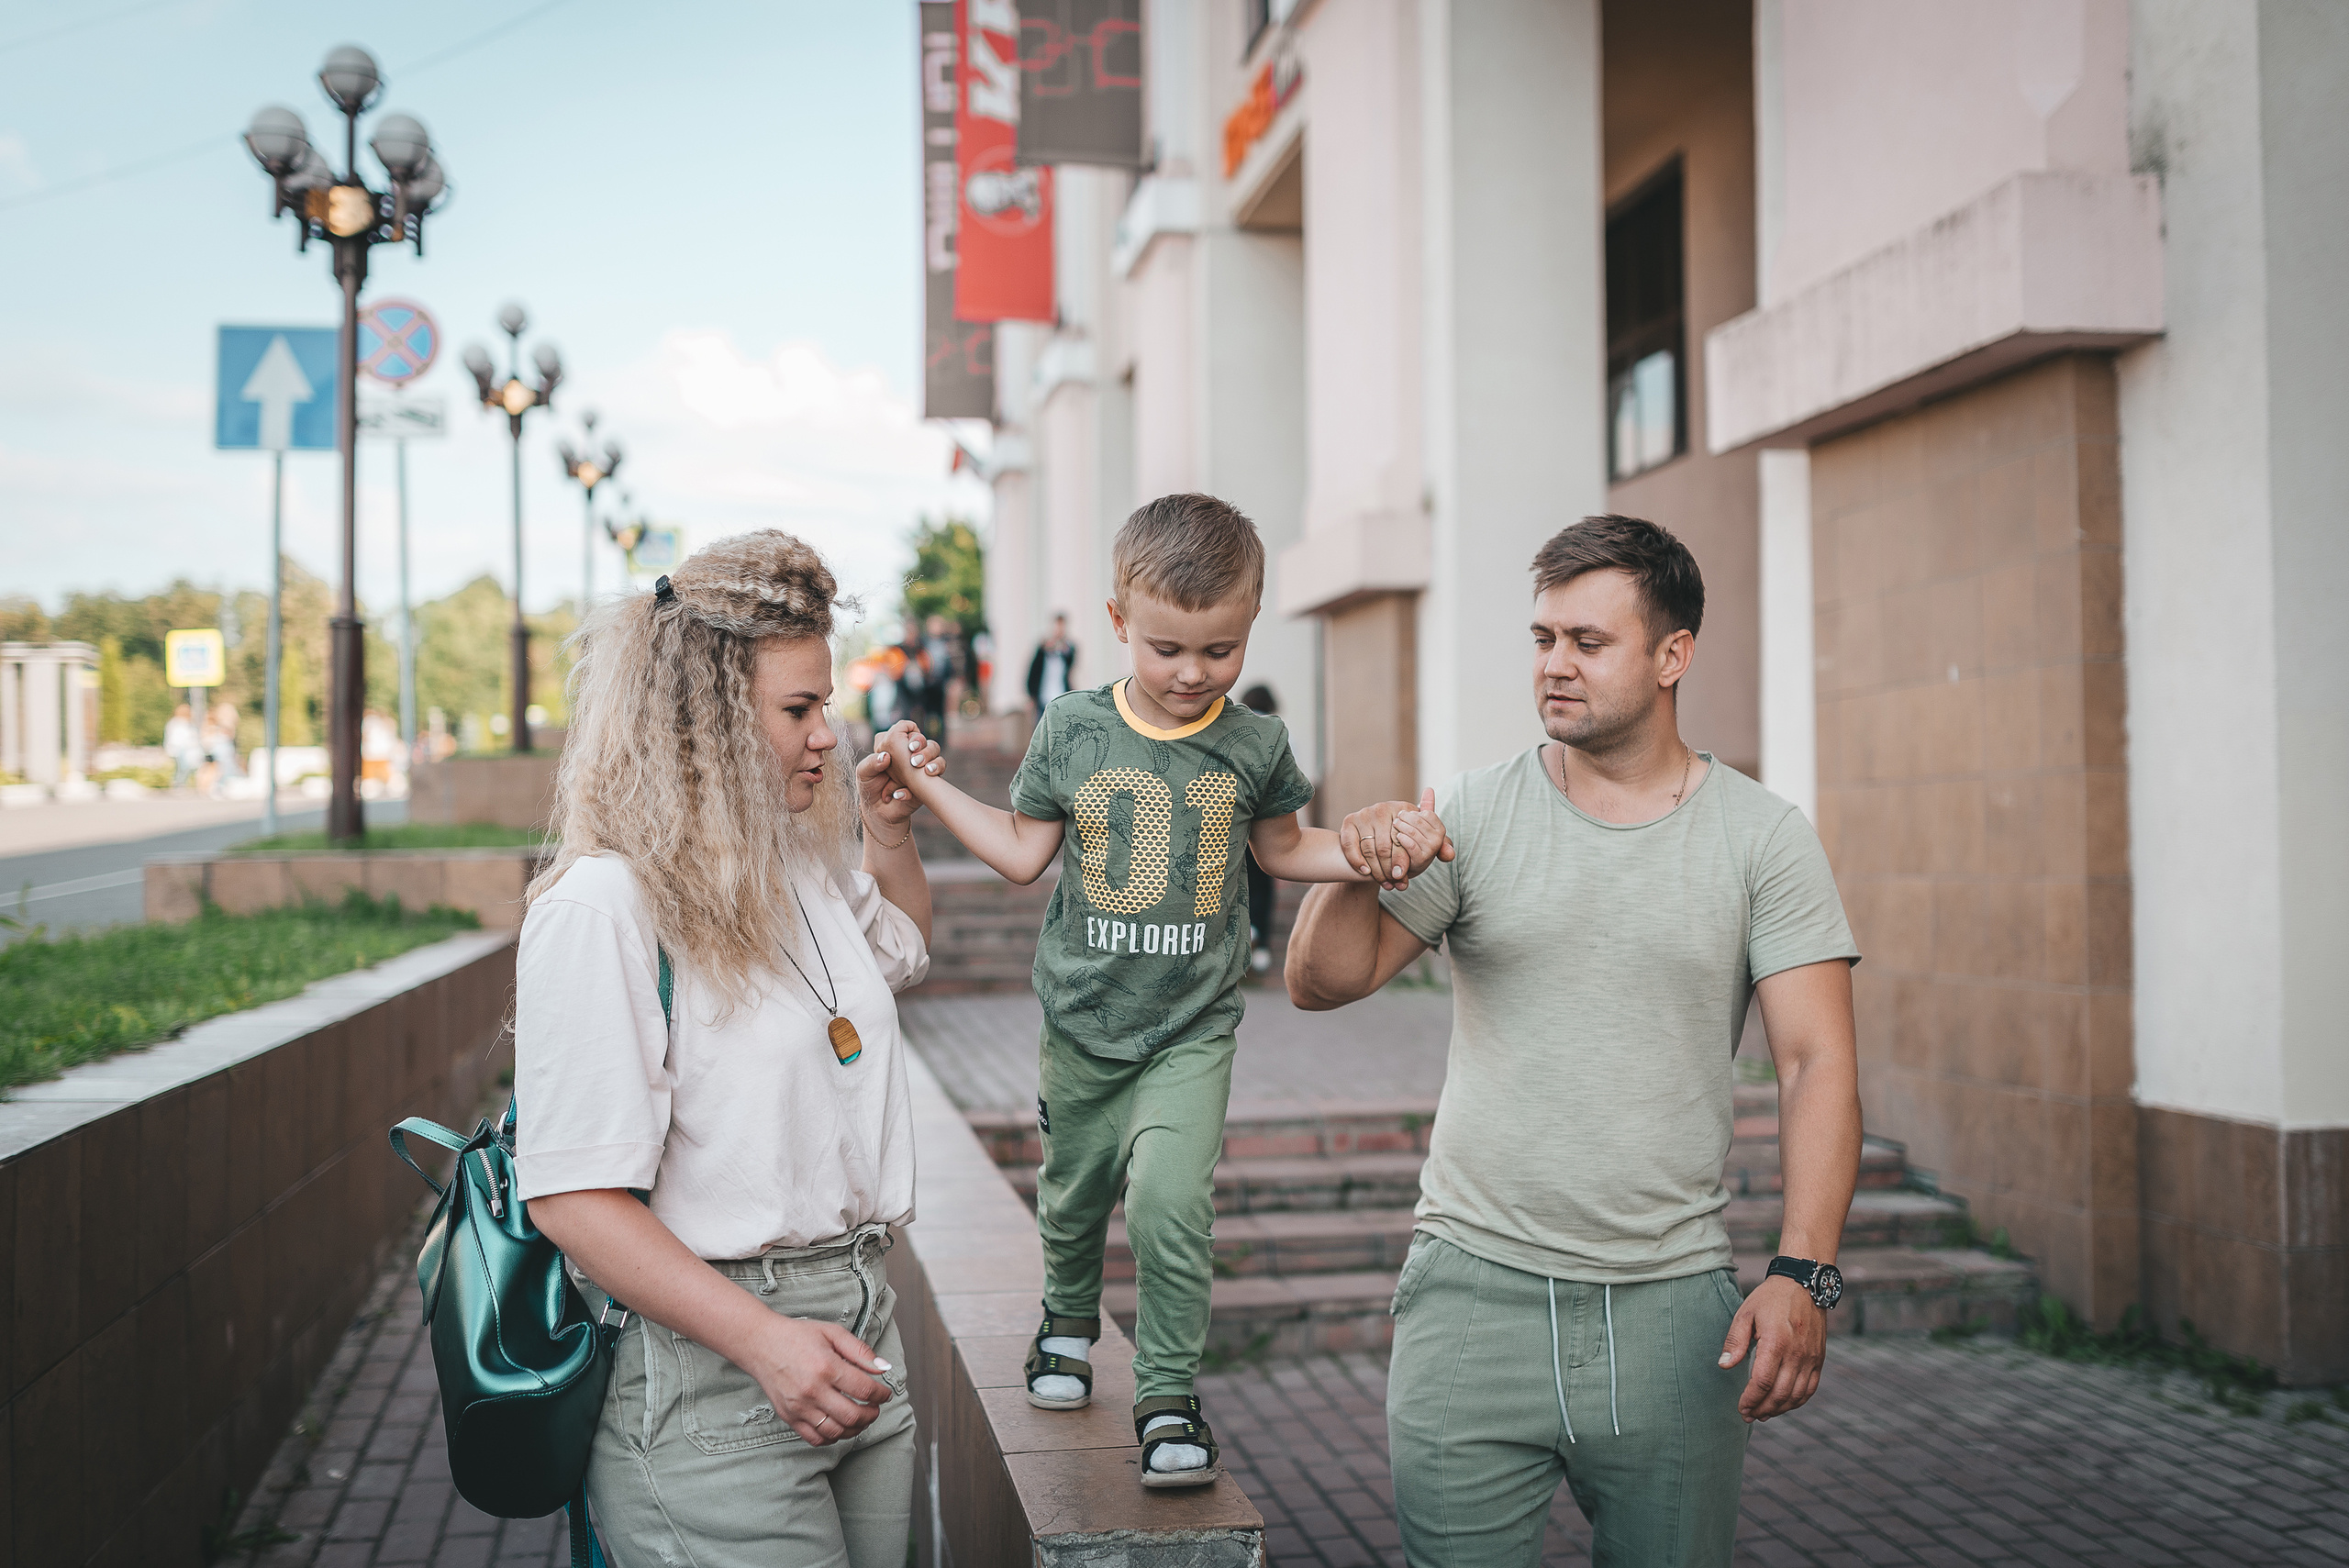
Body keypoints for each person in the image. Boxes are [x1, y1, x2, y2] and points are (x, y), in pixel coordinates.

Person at [1286, 515, 1864, 1568]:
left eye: (1587, 641)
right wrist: (1355, 870)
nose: (1554, 664)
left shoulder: (1762, 836)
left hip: (1671, 1317)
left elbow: (1815, 1061)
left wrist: (1804, 1270)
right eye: (1543, 637)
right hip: (1470, 1295)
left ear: (1672, 654)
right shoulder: (1470, 809)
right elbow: (1320, 984)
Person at [877, 494, 1448, 1490]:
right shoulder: (1072, 727)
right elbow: (1021, 854)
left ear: (1252, 622)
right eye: (1167, 647)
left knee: (1171, 1202)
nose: (1192, 673)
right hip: (1084, 1023)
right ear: (1117, 622)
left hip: (1193, 1026)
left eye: (1218, 650)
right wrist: (927, 793)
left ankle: (1169, 1391)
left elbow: (1283, 850)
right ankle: (1064, 1318)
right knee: (1074, 1195)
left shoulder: (1254, 745)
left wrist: (1366, 850)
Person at [513, 530, 949, 1568]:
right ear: (703, 718)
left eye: (826, 706)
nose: (826, 738)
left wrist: (886, 833)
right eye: (799, 710)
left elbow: (903, 949)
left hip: (858, 1332)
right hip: (717, 1369)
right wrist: (764, 1341)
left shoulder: (793, 861)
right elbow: (571, 1197)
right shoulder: (602, 904)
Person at [1237, 684, 1280, 974]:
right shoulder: (1278, 733)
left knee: (1239, 882)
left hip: (1235, 823)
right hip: (1267, 822)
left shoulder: (1236, 732)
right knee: (1264, 885)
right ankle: (1261, 942)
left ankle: (1241, 940)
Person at [1024, 614, 1076, 713]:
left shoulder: (1067, 649)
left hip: (1061, 695)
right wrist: (1031, 695)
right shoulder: (1043, 649)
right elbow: (1033, 672)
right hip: (1043, 698)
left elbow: (1071, 661)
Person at [165, 703, 200, 788]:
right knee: (183, 768)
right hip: (180, 749)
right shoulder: (177, 723)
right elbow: (177, 738)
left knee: (184, 768)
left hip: (186, 750)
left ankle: (181, 783)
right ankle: (179, 784)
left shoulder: (187, 724)